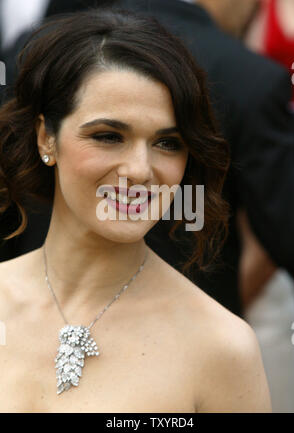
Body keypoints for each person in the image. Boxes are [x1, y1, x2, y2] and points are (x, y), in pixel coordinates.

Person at [0, 8, 271, 413]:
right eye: (109, 136)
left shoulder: (220, 346)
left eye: (167, 143)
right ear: (46, 139)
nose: (141, 171)